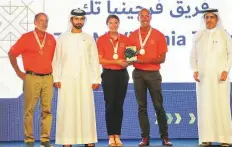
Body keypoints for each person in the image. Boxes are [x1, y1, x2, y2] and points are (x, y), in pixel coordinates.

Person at [52, 8, 101, 147]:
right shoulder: (62, 38)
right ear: (71, 20)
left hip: (85, 79)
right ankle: (66, 141)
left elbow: (94, 60)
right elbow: (57, 60)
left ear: (84, 20)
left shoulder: (89, 38)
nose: (79, 21)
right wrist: (56, 78)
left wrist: (96, 79)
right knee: (67, 109)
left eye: (81, 19)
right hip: (67, 79)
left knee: (86, 108)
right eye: (76, 19)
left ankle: (88, 139)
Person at [8, 13, 56, 147]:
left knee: (47, 110)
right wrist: (18, 71)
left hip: (48, 77)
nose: (44, 23)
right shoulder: (26, 37)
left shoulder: (52, 38)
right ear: (34, 22)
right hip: (32, 77)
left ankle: (45, 140)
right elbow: (12, 53)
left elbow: (56, 60)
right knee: (29, 110)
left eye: (46, 21)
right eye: (41, 21)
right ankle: (29, 140)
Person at [128, 8, 172, 146]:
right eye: (142, 16)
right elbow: (130, 57)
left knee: (158, 106)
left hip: (153, 74)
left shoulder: (159, 35)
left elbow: (162, 58)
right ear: (138, 18)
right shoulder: (133, 35)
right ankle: (145, 138)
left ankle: (165, 137)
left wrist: (145, 60)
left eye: (147, 16)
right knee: (142, 107)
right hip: (138, 74)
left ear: (151, 18)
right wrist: (129, 60)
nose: (145, 18)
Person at [190, 8, 232, 147]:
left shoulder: (224, 35)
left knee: (221, 106)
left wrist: (226, 70)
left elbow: (230, 54)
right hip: (203, 79)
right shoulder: (198, 36)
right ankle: (205, 138)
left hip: (220, 78)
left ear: (217, 19)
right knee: (204, 107)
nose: (208, 20)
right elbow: (193, 55)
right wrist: (195, 70)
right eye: (206, 17)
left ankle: (225, 138)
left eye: (211, 17)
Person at [96, 15, 129, 147]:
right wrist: (116, 61)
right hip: (108, 74)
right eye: (111, 23)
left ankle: (118, 136)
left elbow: (130, 58)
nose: (113, 25)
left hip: (122, 75)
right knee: (110, 105)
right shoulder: (102, 40)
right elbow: (100, 60)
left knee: (119, 106)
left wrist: (128, 62)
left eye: (116, 23)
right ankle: (111, 137)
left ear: (119, 24)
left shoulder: (126, 39)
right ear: (107, 24)